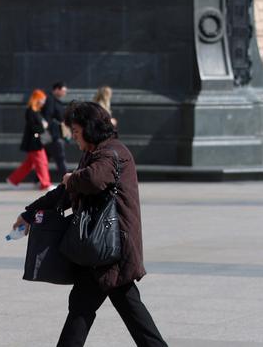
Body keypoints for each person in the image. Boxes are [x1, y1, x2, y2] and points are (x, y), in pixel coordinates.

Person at [11, 102, 167, 346]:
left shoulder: (113, 153)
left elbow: (93, 179)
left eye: (75, 131)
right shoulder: (94, 153)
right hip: (100, 248)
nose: (73, 137)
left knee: (96, 310)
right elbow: (65, 191)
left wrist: (73, 178)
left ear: (90, 128)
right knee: (97, 309)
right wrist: (30, 213)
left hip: (110, 250)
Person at [7, 89, 52, 191]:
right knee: (41, 163)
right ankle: (45, 184)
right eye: (42, 100)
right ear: (37, 99)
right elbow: (33, 127)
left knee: (29, 164)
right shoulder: (31, 111)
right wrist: (43, 127)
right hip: (34, 142)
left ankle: (13, 180)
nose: (43, 102)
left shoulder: (36, 111)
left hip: (35, 141)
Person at [43, 81, 70, 179]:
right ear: (57, 89)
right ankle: (66, 179)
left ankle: (38, 179)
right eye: (63, 91)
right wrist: (53, 131)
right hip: (54, 135)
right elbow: (48, 117)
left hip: (54, 135)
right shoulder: (50, 100)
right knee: (60, 157)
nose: (64, 93)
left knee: (45, 158)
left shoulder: (55, 100)